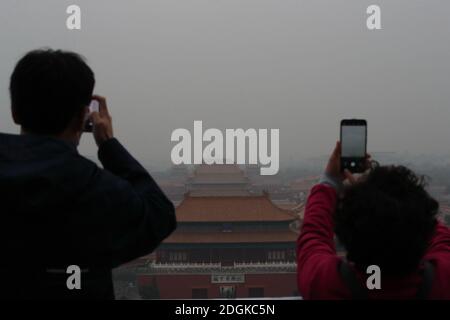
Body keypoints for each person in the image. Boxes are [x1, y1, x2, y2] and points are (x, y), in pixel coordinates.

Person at [0, 49, 177, 299]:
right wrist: (108, 144)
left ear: (15, 112)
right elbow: (160, 216)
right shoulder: (96, 188)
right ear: (84, 117)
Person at [297, 142, 450, 299]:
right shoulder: (442, 283)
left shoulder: (327, 286)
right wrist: (376, 199)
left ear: (347, 234)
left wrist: (332, 182)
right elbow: (437, 233)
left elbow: (313, 235)